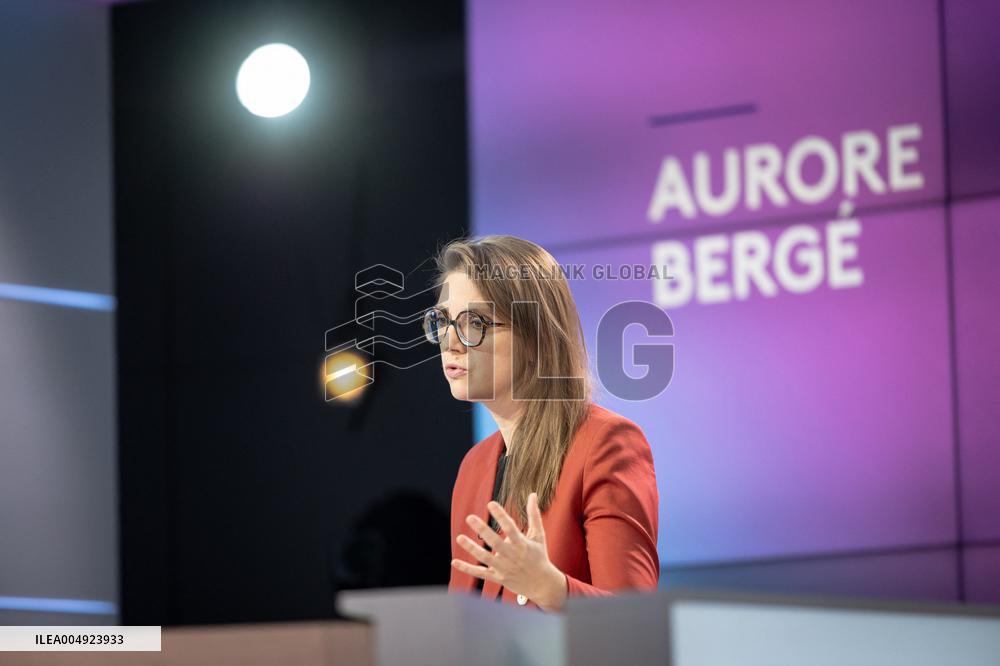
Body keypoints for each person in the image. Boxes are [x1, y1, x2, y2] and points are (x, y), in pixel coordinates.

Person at [424, 234, 660, 613]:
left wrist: (550, 588)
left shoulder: (605, 444)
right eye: (442, 321)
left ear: (536, 337)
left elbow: (635, 621)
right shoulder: (473, 467)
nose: (450, 342)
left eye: (474, 322)